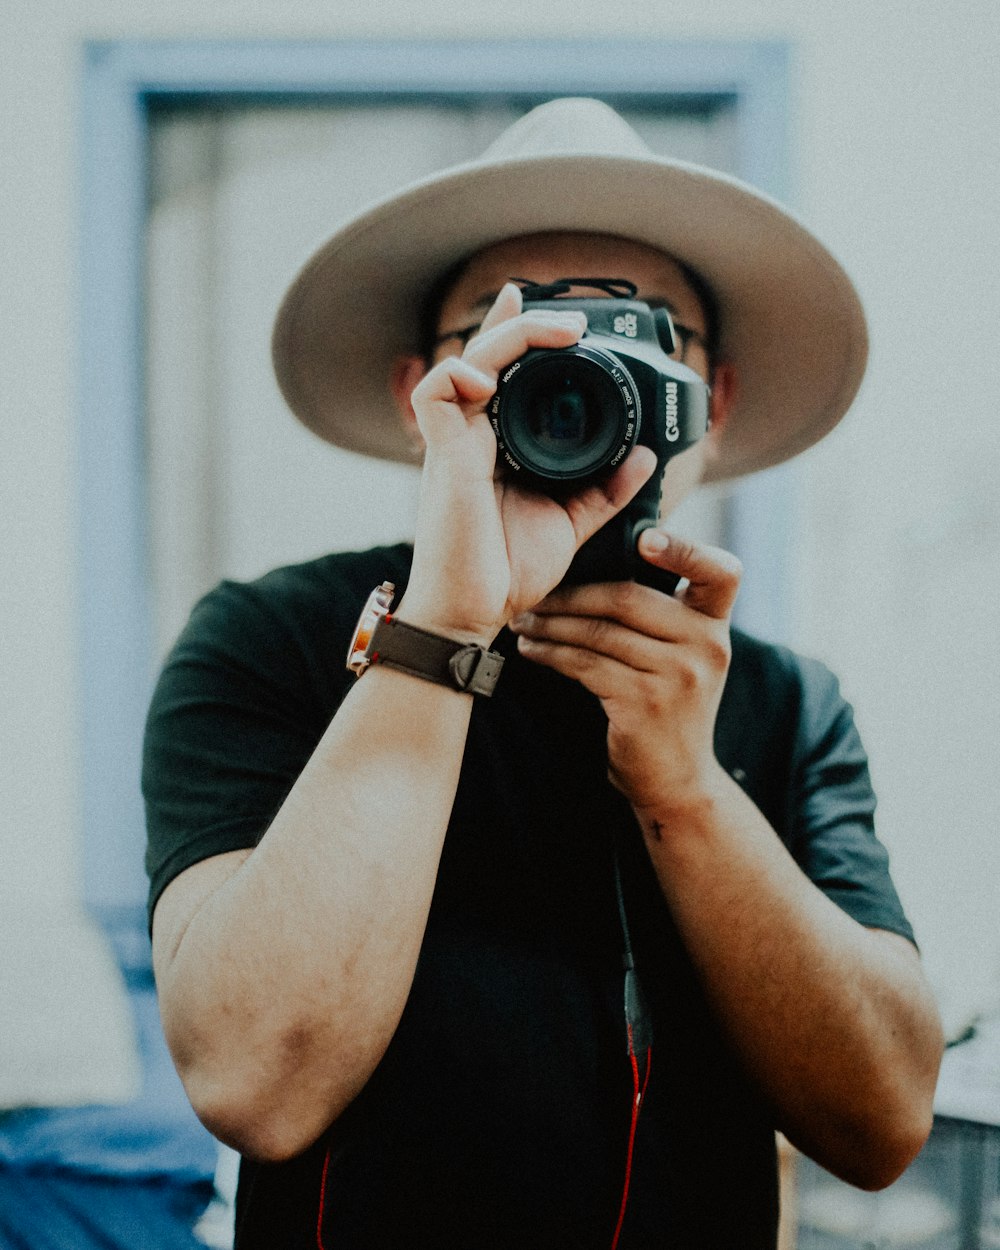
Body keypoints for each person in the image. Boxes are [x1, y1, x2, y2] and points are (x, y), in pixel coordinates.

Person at [143, 99, 944, 1249]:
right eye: (520, 335)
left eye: (641, 332)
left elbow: (880, 1120)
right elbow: (254, 1081)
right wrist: (440, 634)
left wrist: (688, 789)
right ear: (426, 395)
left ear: (707, 405)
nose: (580, 371)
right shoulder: (270, 639)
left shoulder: (783, 702)